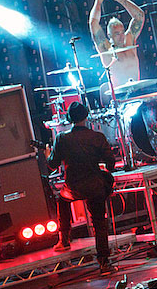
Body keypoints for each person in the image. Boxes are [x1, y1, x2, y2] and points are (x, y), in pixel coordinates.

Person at [89, 0, 157, 157]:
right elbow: (93, 25)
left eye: (122, 31)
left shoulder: (129, 40)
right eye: (116, 34)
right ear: (109, 35)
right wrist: (98, 2)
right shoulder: (106, 49)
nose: (121, 36)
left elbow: (139, 17)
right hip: (121, 99)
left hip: (139, 93)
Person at [47, 102, 117, 274]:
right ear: (86, 116)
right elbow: (111, 163)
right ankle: (104, 262)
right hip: (95, 187)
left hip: (74, 188)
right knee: (99, 222)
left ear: (69, 119)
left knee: (62, 200)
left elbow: (52, 164)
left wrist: (47, 153)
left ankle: (64, 239)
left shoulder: (61, 138)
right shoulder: (98, 137)